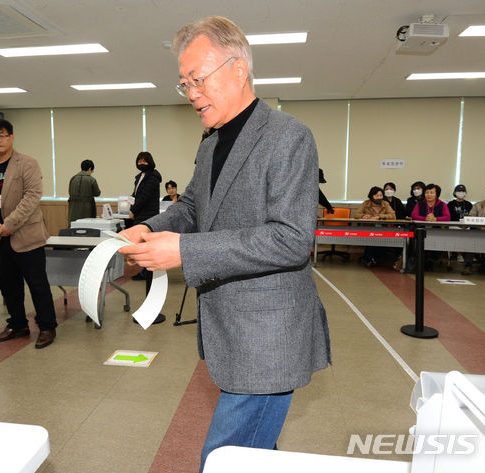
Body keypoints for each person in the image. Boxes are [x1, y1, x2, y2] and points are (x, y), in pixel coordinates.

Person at [117, 17, 330, 471]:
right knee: (255, 458)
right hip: (230, 330)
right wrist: (151, 228)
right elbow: (193, 207)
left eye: (198, 79)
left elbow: (292, 239)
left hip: (268, 339)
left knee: (222, 460)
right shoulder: (212, 144)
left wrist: (184, 252)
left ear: (239, 69)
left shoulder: (288, 136)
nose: (192, 93)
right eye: (184, 84)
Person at [0, 118, 57, 349]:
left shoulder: (27, 163)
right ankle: (17, 324)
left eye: (1, 135)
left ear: (11, 137)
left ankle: (47, 326)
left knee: (37, 284)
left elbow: (32, 196)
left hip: (26, 235)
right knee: (8, 285)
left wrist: (9, 223)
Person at [129, 151, 162, 283]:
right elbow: (136, 195)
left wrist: (133, 210)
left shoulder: (153, 177)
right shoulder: (140, 177)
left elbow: (144, 198)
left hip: (148, 214)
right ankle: (144, 271)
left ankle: (148, 273)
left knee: (146, 245)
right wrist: (130, 204)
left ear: (150, 162)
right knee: (142, 245)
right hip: (140, 213)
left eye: (144, 161)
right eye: (139, 161)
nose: (141, 163)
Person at [354, 186, 395, 267]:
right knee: (371, 239)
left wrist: (380, 216)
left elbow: (392, 215)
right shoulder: (366, 204)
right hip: (368, 229)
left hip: (383, 230)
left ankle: (374, 258)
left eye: (381, 195)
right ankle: (369, 259)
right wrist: (363, 216)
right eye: (377, 195)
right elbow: (356, 214)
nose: (379, 198)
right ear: (371, 196)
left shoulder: (385, 204)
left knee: (380, 240)